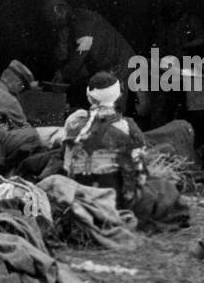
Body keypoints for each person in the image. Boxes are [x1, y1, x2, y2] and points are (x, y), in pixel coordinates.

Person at [44, 0, 148, 118]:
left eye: (51, 17)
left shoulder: (82, 20)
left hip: (120, 63)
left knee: (114, 106)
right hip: (112, 65)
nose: (52, 22)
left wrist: (64, 73)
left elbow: (81, 54)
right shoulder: (72, 25)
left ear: (60, 10)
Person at [61, 72, 147, 208]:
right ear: (118, 96)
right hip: (111, 196)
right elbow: (138, 171)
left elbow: (67, 165)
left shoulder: (74, 121)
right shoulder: (127, 126)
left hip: (76, 194)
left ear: (89, 96)